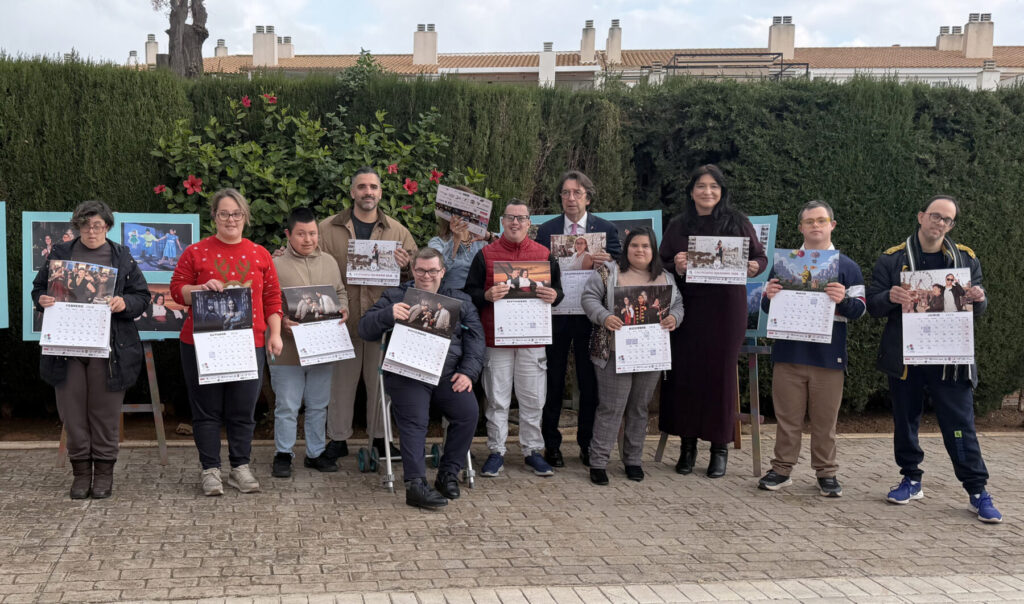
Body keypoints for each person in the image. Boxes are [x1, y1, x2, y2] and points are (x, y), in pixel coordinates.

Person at [866, 195, 1001, 523]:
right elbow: (872, 304)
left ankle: (977, 491)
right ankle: (911, 479)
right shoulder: (893, 259)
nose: (940, 223)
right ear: (921, 216)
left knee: (960, 427)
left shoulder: (965, 259)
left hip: (950, 358)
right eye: (935, 216)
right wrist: (889, 296)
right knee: (905, 421)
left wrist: (979, 298)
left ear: (951, 225)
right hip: (907, 359)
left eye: (947, 220)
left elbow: (977, 306)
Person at [31, 200, 150, 499]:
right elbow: (39, 288)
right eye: (85, 224)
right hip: (67, 346)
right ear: (77, 226)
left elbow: (142, 296)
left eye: (98, 225)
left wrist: (125, 303)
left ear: (108, 226)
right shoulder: (61, 254)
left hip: (109, 350)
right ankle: (81, 473)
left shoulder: (121, 256)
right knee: (72, 413)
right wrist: (42, 299)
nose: (92, 230)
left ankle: (104, 473)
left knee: (105, 413)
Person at [170, 188, 284, 496]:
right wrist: (200, 288)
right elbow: (177, 289)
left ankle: (239, 468)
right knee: (206, 410)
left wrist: (275, 334)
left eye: (236, 213)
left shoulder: (260, 254)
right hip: (202, 343)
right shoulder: (195, 252)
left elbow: (272, 298)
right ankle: (210, 470)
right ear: (214, 217)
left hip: (249, 344)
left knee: (242, 408)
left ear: (245, 217)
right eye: (224, 213)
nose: (230, 219)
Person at [659, 164, 767, 478]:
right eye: (701, 186)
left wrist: (752, 267)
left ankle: (719, 449)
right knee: (686, 375)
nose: (708, 192)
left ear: (722, 192)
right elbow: (662, 261)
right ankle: (687, 446)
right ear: (691, 191)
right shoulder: (679, 224)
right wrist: (676, 265)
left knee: (721, 377)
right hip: (688, 307)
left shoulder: (737, 222)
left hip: (726, 309)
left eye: (714, 187)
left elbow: (760, 258)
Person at [756, 201, 866, 497]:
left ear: (832, 224)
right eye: (809, 221)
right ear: (801, 227)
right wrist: (769, 295)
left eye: (821, 220)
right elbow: (768, 307)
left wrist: (843, 300)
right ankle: (781, 470)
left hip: (829, 358)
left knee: (824, 422)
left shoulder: (847, 266)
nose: (815, 225)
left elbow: (860, 310)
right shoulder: (784, 263)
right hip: (789, 354)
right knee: (787, 419)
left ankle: (826, 473)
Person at [359, 248, 483, 509]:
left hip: (448, 374)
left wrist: (468, 372)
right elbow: (364, 328)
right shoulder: (396, 296)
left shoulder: (460, 301)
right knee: (415, 419)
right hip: (408, 373)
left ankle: (448, 473)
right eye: (420, 270)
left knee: (468, 411)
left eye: (433, 270)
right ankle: (415, 485)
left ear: (442, 272)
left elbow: (475, 340)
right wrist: (387, 314)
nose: (426, 276)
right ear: (412, 270)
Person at [318, 167, 417, 463]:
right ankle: (337, 440)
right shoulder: (327, 229)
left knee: (380, 383)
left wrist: (405, 265)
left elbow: (419, 276)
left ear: (381, 192)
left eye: (373, 186)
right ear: (352, 192)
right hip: (341, 321)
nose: (368, 192)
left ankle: (380, 438)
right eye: (361, 187)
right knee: (340, 385)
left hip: (381, 322)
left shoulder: (398, 231)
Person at [464, 199, 564, 477]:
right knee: (497, 398)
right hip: (497, 339)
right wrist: (485, 295)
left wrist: (554, 296)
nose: (516, 223)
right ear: (502, 222)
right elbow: (469, 292)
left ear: (529, 223)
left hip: (532, 339)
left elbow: (558, 293)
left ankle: (532, 450)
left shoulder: (544, 255)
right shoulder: (485, 254)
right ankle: (497, 450)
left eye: (521, 218)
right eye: (510, 218)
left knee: (533, 398)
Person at [580, 227, 683, 485]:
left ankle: (633, 460)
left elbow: (679, 305)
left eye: (646, 246)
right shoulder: (608, 273)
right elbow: (588, 298)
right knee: (611, 408)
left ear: (653, 250)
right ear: (626, 248)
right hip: (615, 353)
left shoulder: (666, 277)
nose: (640, 250)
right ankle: (599, 461)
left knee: (639, 408)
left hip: (650, 354)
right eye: (635, 245)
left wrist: (675, 318)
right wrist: (604, 316)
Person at [534, 170, 621, 468]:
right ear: (560, 197)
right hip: (555, 315)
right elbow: (536, 268)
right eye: (566, 193)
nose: (571, 198)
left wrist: (609, 260)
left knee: (589, 382)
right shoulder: (545, 231)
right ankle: (552, 445)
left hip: (591, 317)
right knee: (553, 381)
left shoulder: (606, 229)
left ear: (588, 196)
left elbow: (625, 266)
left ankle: (587, 443)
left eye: (577, 193)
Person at [269, 207, 349, 479]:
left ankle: (315, 453)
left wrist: (345, 308)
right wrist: (281, 321)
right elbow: (267, 301)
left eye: (313, 233)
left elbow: (339, 291)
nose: (308, 239)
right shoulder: (275, 264)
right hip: (287, 347)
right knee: (288, 404)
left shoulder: (328, 261)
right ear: (288, 234)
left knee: (318, 403)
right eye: (301, 234)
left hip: (322, 346)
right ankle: (283, 453)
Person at [428, 186, 494, 290]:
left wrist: (488, 237)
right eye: (459, 210)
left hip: (479, 298)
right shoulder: (437, 242)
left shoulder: (480, 241)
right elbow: (438, 271)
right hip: (452, 299)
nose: (463, 214)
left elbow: (506, 253)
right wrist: (455, 240)